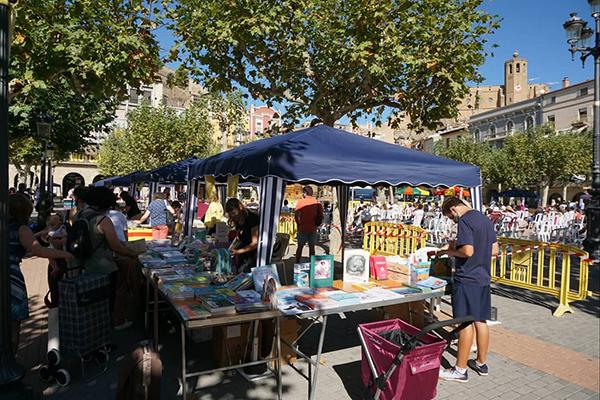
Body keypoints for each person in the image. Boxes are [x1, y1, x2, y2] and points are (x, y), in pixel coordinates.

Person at [437, 197, 498, 383]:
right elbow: (495, 250)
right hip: (483, 277)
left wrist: (448, 251)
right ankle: (481, 363)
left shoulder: (465, 220)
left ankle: (460, 369)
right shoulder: (484, 218)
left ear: (454, 210)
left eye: (450, 217)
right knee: (480, 320)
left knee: (464, 323)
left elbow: (468, 252)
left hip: (468, 278)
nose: (452, 220)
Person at [8, 194, 74, 352]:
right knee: (13, 322)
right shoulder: (21, 228)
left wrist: (38, 234)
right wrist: (66, 255)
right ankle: (10, 360)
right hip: (11, 276)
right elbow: (38, 250)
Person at [76, 187, 142, 329]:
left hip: (84, 262)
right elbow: (116, 246)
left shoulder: (80, 215)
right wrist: (132, 254)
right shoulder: (102, 220)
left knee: (91, 297)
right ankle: (114, 323)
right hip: (103, 265)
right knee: (109, 295)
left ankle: (93, 325)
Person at [225, 198, 259, 272]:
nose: (232, 216)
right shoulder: (238, 219)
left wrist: (238, 251)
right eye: (230, 214)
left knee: (243, 273)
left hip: (253, 256)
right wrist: (231, 249)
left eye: (233, 213)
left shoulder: (252, 218)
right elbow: (239, 238)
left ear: (240, 207)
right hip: (243, 255)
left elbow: (255, 243)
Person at [294, 186, 324, 263]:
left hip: (302, 228)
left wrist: (298, 224)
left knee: (300, 247)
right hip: (313, 228)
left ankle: (297, 263)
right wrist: (317, 224)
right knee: (312, 248)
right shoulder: (317, 202)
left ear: (305, 193)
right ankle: (312, 264)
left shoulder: (300, 202)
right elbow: (321, 215)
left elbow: (296, 215)